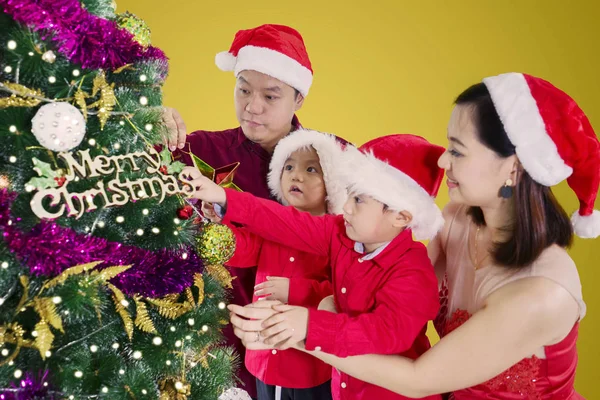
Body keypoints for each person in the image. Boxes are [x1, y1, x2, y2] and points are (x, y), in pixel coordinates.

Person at [232, 72, 599, 399]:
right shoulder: (458, 220)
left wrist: (295, 332)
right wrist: (319, 305)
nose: (443, 162)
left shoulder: (541, 293)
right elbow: (392, 306)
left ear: (513, 169)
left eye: (457, 151)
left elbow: (419, 379)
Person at [183, 134, 446, 400]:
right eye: (349, 195)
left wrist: (308, 324)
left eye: (359, 200)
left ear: (401, 216)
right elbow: (279, 221)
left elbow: (386, 333)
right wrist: (223, 197)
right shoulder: (341, 233)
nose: (346, 207)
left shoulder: (413, 272)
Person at [162, 24, 331, 398]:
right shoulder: (198, 150)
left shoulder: (332, 162)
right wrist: (148, 121)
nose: (253, 107)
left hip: (305, 356)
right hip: (207, 350)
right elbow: (127, 160)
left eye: (271, 96)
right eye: (243, 90)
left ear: (298, 97)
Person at [214, 129, 346, 400]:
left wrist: (295, 292)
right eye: (289, 167)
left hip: (307, 365)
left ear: (332, 182)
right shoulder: (274, 226)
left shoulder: (336, 235)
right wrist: (220, 228)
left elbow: (341, 295)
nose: (296, 175)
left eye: (311, 169)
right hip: (263, 357)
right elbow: (245, 249)